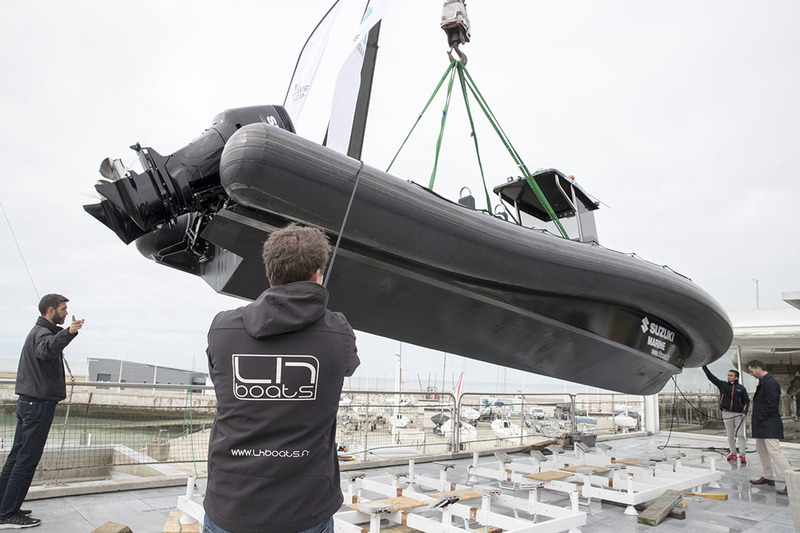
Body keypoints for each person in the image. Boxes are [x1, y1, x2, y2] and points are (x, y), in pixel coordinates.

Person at [203, 223, 360, 533]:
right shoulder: (338, 333)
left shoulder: (222, 329)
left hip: (230, 504)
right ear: (318, 274)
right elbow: (347, 365)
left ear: (269, 272)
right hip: (306, 509)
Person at [0, 294, 84, 529]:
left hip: (29, 403)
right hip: (37, 405)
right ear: (50, 310)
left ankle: (5, 506)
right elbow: (47, 350)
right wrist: (69, 333)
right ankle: (7, 514)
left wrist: (66, 334)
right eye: (63, 309)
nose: (66, 313)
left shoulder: (39, 331)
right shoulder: (42, 334)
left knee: (17, 457)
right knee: (26, 460)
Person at [747, 359, 793, 495]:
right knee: (761, 450)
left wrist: (760, 416)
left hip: (768, 424)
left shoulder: (771, 382)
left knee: (775, 452)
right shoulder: (764, 382)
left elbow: (771, 404)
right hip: (762, 424)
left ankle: (792, 482)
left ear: (758, 368)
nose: (751, 374)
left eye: (751, 371)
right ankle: (768, 476)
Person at [702, 365, 749, 462]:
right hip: (726, 413)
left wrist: (744, 411)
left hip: (738, 414)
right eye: (728, 375)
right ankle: (733, 453)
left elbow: (746, 401)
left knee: (740, 435)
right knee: (730, 435)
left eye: (731, 375)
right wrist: (704, 367)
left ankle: (742, 455)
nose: (729, 377)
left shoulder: (741, 388)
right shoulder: (723, 385)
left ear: (736, 377)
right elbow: (712, 378)